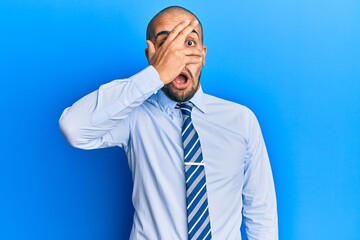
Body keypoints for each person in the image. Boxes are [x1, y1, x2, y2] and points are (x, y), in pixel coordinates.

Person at [59, 5, 278, 240]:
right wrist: (155, 74)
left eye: (189, 43)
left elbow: (261, 211)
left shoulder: (241, 120)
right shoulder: (132, 116)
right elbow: (74, 128)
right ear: (151, 56)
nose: (178, 57)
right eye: (166, 45)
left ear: (203, 55)